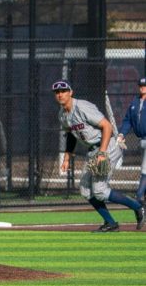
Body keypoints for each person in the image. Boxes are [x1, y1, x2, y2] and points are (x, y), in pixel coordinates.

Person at [53, 79, 144, 232]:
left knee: (100, 190)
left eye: (63, 91)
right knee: (85, 189)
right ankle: (111, 223)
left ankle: (138, 207)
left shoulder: (82, 107)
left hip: (107, 146)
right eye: (57, 92)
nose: (60, 94)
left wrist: (102, 153)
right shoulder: (62, 114)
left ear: (70, 92)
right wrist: (67, 157)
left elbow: (107, 126)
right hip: (93, 151)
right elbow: (70, 134)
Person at [117, 76, 146, 205]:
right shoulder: (135, 102)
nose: (143, 87)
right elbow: (128, 120)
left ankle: (139, 197)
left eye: (145, 85)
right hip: (142, 140)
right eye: (141, 85)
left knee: (145, 169)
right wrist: (122, 133)